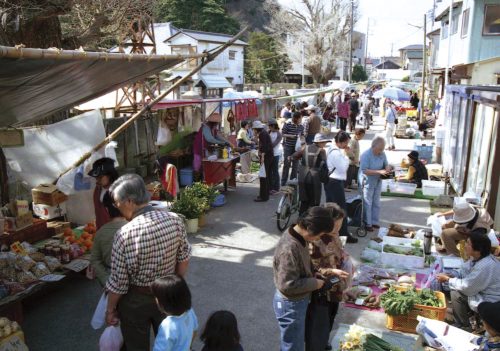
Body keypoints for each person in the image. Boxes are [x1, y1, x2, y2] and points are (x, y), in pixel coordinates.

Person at [105, 174, 192, 351]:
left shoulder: (124, 234)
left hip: (136, 300)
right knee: (171, 343)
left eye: (116, 203)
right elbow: (184, 258)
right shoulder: (175, 220)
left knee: (136, 345)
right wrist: (174, 284)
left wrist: (110, 310)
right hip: (168, 295)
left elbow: (119, 282)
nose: (116, 207)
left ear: (129, 201)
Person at [273, 206, 333, 351]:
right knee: (293, 346)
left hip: (298, 301)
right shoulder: (289, 248)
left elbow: (303, 263)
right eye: (320, 234)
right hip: (290, 305)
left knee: (294, 342)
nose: (319, 238)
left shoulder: (299, 235)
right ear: (310, 228)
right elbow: (287, 285)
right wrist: (316, 283)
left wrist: (316, 272)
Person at [305, 203, 351, 351]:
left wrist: (343, 257)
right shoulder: (316, 239)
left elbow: (338, 251)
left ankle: (324, 342)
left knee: (331, 316)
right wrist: (332, 271)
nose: (338, 230)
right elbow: (313, 268)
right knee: (318, 323)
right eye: (335, 226)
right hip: (322, 289)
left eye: (340, 226)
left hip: (336, 286)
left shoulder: (335, 235)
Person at [436, 231, 500, 331]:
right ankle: (462, 316)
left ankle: (464, 325)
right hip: (480, 291)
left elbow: (467, 287)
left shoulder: (486, 266)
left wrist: (448, 279)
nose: (465, 246)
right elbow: (463, 270)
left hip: (491, 301)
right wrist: (452, 274)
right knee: (451, 285)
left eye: (468, 244)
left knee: (456, 293)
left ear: (478, 250)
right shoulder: (477, 258)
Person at [324, 131, 358, 244]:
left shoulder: (334, 149)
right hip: (334, 182)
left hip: (332, 181)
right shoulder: (336, 153)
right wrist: (347, 156)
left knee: (332, 209)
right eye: (346, 142)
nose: (347, 145)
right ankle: (343, 234)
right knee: (341, 209)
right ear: (342, 142)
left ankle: (331, 232)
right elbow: (343, 168)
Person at [151, 275, 198, 351]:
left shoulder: (167, 326)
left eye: (157, 297)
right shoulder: (190, 311)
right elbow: (195, 330)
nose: (155, 299)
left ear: (165, 302)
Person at [90, 195, 127, 287]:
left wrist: (106, 280)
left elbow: (95, 259)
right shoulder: (136, 227)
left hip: (110, 277)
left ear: (106, 209)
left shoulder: (101, 232)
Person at [359, 136, 392, 232]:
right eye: (379, 149)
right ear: (373, 147)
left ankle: (374, 221)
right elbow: (364, 170)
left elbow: (386, 163)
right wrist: (379, 172)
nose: (381, 151)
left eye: (382, 149)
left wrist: (387, 168)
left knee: (376, 202)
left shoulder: (382, 153)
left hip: (378, 180)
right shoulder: (366, 155)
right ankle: (367, 223)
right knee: (368, 202)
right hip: (367, 181)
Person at [294, 133, 329, 215]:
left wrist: (291, 158)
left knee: (304, 201)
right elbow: (326, 165)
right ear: (318, 142)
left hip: (302, 177)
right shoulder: (322, 151)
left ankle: (300, 220)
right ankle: (311, 221)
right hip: (314, 180)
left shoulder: (304, 148)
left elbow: (294, 156)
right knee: (314, 202)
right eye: (324, 142)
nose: (325, 144)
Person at [88, 157, 119, 230]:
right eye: (96, 178)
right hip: (102, 230)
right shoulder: (98, 189)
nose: (97, 180)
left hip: (117, 230)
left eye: (100, 177)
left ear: (110, 175)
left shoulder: (119, 190)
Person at [281, 112, 305, 186]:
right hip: (288, 147)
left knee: (295, 165)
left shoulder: (301, 126)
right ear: (296, 118)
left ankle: (292, 181)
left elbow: (302, 135)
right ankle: (283, 182)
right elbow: (282, 134)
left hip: (297, 148)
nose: (301, 120)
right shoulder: (287, 124)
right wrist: (290, 136)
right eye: (300, 118)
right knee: (286, 164)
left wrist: (303, 141)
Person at [253, 120, 273, 202]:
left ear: (256, 128)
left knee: (263, 177)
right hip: (268, 156)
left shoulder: (262, 134)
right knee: (265, 176)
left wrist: (262, 158)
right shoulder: (263, 133)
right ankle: (265, 195)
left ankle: (263, 196)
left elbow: (264, 146)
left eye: (254, 129)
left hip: (266, 157)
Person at [269, 119, 283, 195]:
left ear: (274, 126)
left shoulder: (279, 134)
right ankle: (271, 187)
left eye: (270, 126)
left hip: (275, 154)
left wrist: (267, 145)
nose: (269, 128)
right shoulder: (269, 132)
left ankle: (276, 188)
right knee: (270, 172)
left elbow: (274, 144)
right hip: (269, 154)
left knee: (275, 172)